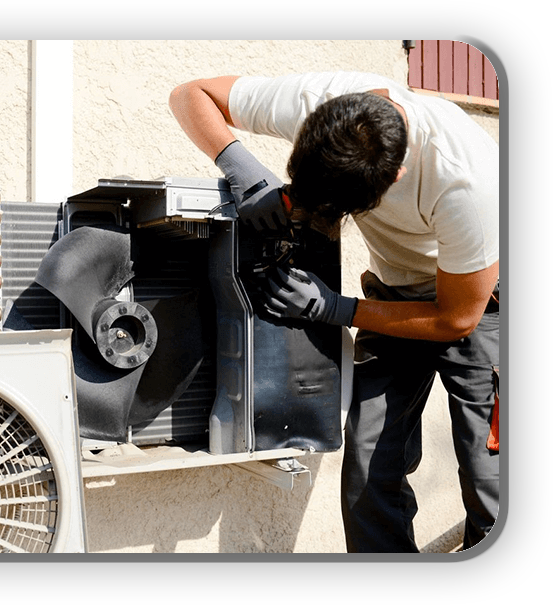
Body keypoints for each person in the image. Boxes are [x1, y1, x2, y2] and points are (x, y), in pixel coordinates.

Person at [169, 72, 499, 552]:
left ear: (395, 176)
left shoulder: (467, 184)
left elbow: (456, 318)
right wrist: (241, 166)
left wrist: (337, 308)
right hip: (392, 296)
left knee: (488, 477)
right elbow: (189, 94)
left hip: (481, 305)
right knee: (368, 470)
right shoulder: (323, 104)